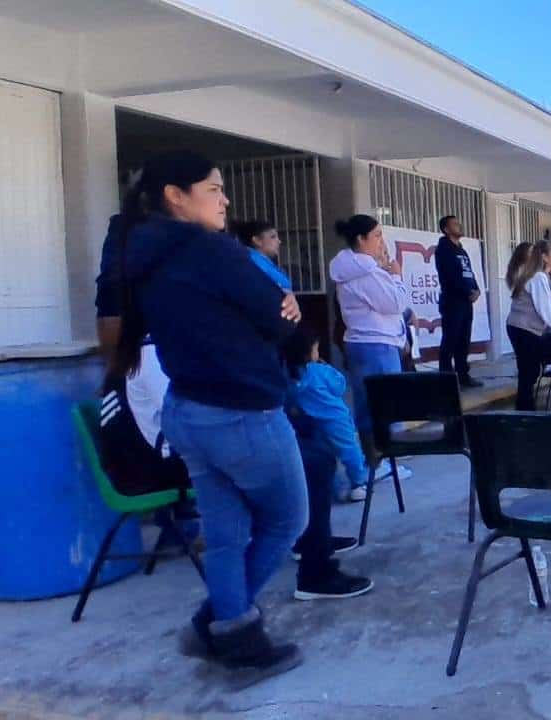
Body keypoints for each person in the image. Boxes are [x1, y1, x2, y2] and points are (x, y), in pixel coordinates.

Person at [112, 150, 304, 681]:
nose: (225, 199)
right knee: (287, 519)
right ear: (177, 195)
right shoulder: (211, 251)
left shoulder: (144, 253)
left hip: (188, 412)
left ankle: (224, 625)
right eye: (214, 188)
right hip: (242, 413)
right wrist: (287, 304)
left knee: (224, 537)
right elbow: (279, 321)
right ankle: (225, 628)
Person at [280, 330, 373, 601]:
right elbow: (339, 383)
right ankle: (314, 561)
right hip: (316, 431)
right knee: (320, 465)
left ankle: (310, 541)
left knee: (314, 474)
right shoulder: (320, 376)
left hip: (299, 428)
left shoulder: (289, 379)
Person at [329, 213, 413, 502]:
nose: (381, 241)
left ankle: (376, 461)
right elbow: (396, 303)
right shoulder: (364, 271)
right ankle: (386, 462)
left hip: (364, 344)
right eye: (376, 235)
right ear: (360, 240)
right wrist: (397, 276)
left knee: (369, 404)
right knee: (386, 405)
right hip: (376, 344)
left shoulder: (352, 269)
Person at [507, 240, 551, 411]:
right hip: (522, 328)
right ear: (544, 257)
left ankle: (525, 408)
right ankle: (524, 410)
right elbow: (544, 309)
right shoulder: (537, 277)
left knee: (530, 370)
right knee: (528, 371)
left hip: (527, 329)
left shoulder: (544, 277)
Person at [434, 214, 482, 388]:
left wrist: (476, 289)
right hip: (453, 301)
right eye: (454, 224)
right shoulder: (444, 250)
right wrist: (466, 291)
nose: (459, 225)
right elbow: (451, 275)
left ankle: (463, 376)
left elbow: (468, 271)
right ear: (446, 229)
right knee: (450, 339)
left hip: (466, 301)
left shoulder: (461, 249)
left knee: (464, 339)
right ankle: (445, 379)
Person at [233, 220, 291, 292]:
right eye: (273, 237)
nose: (279, 241)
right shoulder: (253, 262)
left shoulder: (260, 260)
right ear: (257, 241)